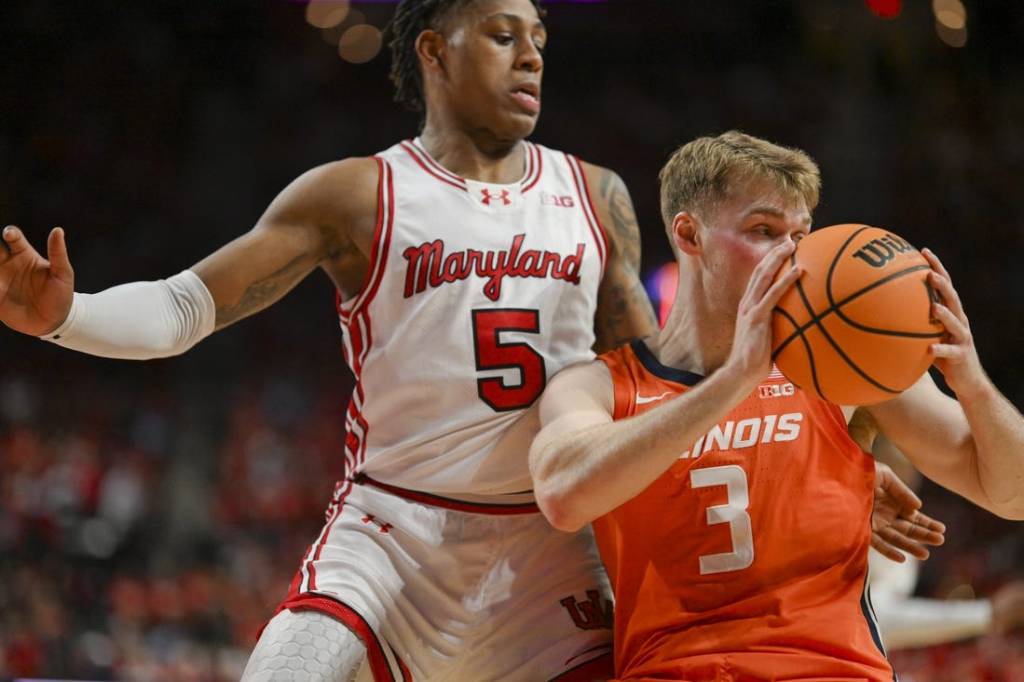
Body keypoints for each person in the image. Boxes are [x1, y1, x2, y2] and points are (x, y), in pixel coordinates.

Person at [1, 1, 659, 679]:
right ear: (434, 51)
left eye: (540, 39)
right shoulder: (355, 195)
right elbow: (181, 308)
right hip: (392, 533)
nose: (532, 56)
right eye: (503, 35)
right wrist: (66, 315)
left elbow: (652, 382)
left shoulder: (595, 195)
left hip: (548, 543)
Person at [529, 130, 1021, 680]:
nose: (792, 256)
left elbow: (1012, 493)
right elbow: (563, 495)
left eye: (801, 234)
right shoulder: (599, 386)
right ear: (689, 235)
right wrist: (735, 380)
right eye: (764, 231)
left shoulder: (839, 368)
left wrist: (971, 380)